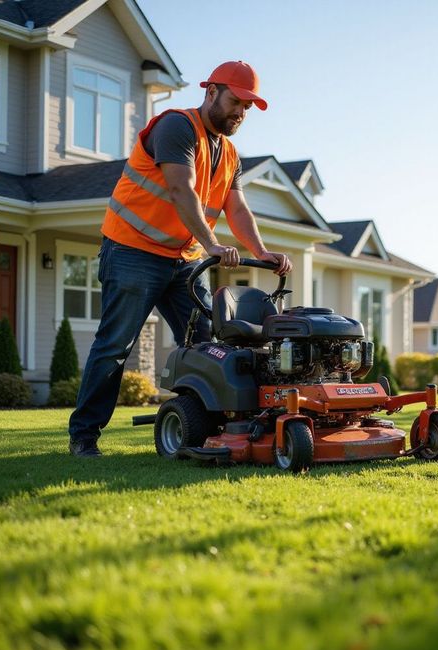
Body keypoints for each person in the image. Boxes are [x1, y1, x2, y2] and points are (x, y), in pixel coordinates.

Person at [68, 60, 291, 457]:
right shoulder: (177, 127)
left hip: (183, 261)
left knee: (209, 343)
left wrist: (260, 251)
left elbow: (237, 208)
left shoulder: (230, 154)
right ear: (211, 93)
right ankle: (84, 436)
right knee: (116, 344)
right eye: (237, 101)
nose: (241, 112)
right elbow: (180, 189)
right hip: (132, 251)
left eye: (248, 107)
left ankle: (210, 429)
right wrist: (212, 245)